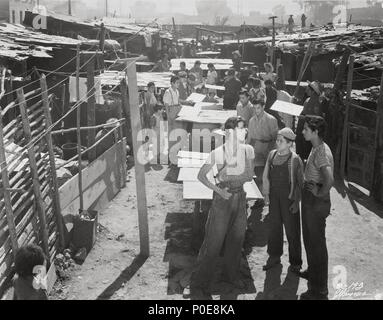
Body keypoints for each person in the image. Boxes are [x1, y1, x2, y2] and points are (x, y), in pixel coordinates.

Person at [189, 117, 255, 298]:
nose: (243, 132)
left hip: (240, 198)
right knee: (213, 242)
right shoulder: (217, 153)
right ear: (228, 132)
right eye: (240, 129)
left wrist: (228, 175)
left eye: (243, 129)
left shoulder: (248, 150)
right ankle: (200, 282)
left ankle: (230, 277)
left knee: (236, 240)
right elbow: (201, 176)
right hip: (222, 200)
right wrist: (219, 188)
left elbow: (249, 175)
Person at [300, 116, 334, 300]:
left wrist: (319, 193)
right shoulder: (316, 146)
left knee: (317, 244)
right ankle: (313, 274)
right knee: (310, 240)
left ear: (316, 132)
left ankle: (319, 290)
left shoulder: (321, 151)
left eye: (306, 129)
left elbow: (329, 180)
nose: (303, 131)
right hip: (310, 199)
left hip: (316, 202)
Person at [262, 128, 304, 274]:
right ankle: (274, 256)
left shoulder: (295, 160)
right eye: (277, 140)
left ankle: (296, 263)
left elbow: (300, 183)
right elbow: (266, 176)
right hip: (274, 197)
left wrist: (296, 201)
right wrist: (266, 195)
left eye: (281, 141)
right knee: (274, 228)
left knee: (292, 231)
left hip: (289, 199)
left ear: (289, 144)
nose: (277, 143)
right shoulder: (272, 155)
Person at [247, 101, 279, 193]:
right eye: (254, 108)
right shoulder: (251, 120)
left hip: (269, 148)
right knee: (258, 174)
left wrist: (270, 151)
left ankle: (267, 195)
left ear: (263, 107)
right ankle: (259, 198)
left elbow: (275, 137)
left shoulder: (271, 119)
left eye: (258, 108)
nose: (256, 110)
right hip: (257, 148)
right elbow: (249, 137)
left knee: (268, 175)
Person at [296, 80, 324, 161]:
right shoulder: (307, 99)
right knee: (300, 139)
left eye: (308, 89)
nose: (306, 90)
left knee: (307, 143)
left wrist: (305, 117)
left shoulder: (316, 102)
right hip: (302, 123)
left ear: (312, 91)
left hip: (310, 125)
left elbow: (317, 116)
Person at [163, 76, 186, 163]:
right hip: (172, 111)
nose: (178, 84)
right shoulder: (168, 92)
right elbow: (166, 105)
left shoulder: (177, 91)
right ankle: (171, 154)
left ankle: (176, 152)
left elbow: (177, 101)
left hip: (177, 110)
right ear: (172, 83)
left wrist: (181, 105)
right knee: (172, 134)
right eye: (177, 83)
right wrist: (169, 116)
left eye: (178, 83)